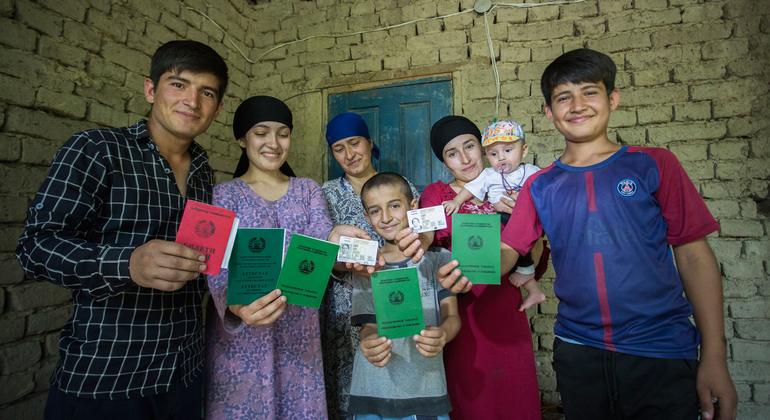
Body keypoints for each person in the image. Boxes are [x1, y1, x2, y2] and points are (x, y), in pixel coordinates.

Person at [494, 48, 737, 419]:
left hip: (660, 350)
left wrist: (715, 355)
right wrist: (463, 265)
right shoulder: (540, 185)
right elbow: (509, 249)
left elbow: (693, 255)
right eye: (563, 97)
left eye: (589, 92)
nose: (577, 105)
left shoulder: (653, 164)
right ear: (548, 111)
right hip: (578, 352)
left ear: (613, 99)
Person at [15, 40, 228, 420]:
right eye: (178, 84)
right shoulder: (97, 150)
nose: (191, 101)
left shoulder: (204, 174)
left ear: (218, 107)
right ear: (150, 89)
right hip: (108, 376)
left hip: (185, 373)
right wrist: (128, 263)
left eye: (206, 92)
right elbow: (35, 247)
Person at [205, 96, 370, 419]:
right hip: (242, 335)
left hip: (300, 331)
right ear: (242, 138)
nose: (273, 143)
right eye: (261, 133)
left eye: (282, 133)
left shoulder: (307, 191)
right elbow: (214, 267)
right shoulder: (222, 196)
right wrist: (235, 305)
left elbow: (323, 243)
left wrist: (338, 242)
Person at [398, 115, 542, 419]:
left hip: (505, 309)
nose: (464, 159)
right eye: (452, 153)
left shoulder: (515, 188)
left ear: (484, 147)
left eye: (470, 146)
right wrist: (418, 242)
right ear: (444, 161)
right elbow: (427, 238)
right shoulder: (439, 194)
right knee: (471, 403)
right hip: (461, 315)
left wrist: (524, 218)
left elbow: (538, 255)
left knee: (514, 400)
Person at [320, 112, 424, 420]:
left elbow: (422, 235)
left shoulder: (399, 186)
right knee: (351, 389)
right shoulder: (325, 194)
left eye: (355, 143)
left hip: (398, 298)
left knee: (399, 378)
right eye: (339, 148)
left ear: (370, 143)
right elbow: (325, 253)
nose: (349, 154)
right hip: (346, 304)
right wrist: (342, 266)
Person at [348, 172, 460, 419]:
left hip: (426, 387)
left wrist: (443, 334)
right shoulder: (367, 265)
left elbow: (452, 316)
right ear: (367, 216)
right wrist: (369, 342)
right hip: (374, 388)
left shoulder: (438, 259)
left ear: (413, 206)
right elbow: (367, 325)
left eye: (395, 206)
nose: (386, 217)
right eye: (375, 211)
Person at [442, 119, 545, 311]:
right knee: (501, 235)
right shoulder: (489, 175)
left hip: (528, 219)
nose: (502, 158)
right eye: (494, 154)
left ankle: (528, 278)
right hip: (502, 218)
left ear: (523, 151)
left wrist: (529, 206)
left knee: (522, 234)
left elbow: (548, 191)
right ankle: (533, 289)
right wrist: (456, 201)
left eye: (508, 151)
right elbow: (471, 190)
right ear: (487, 155)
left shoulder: (531, 172)